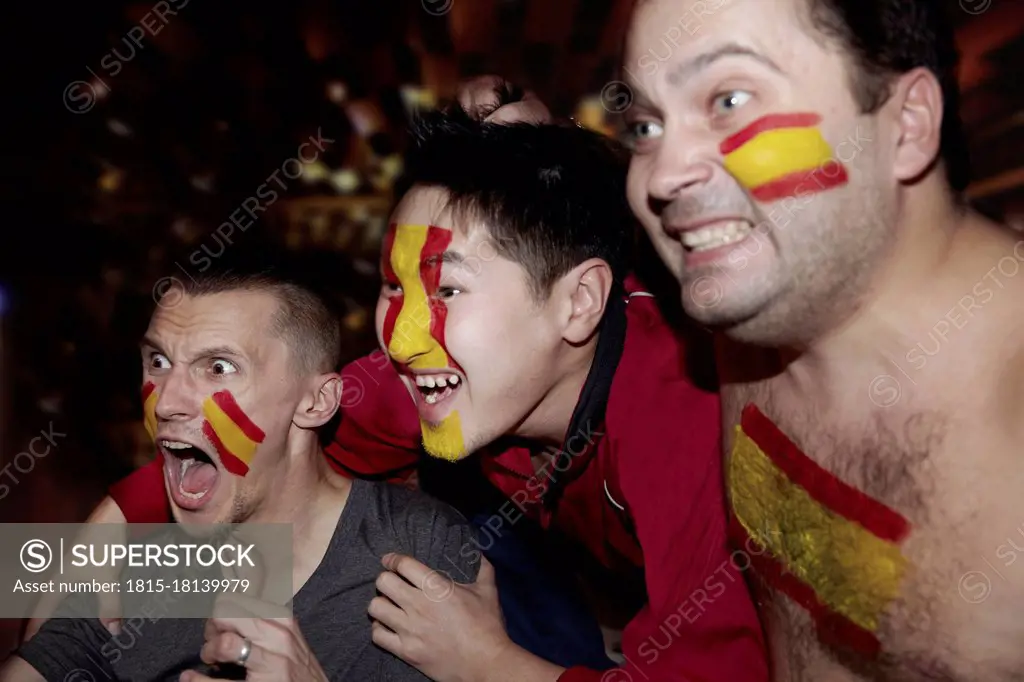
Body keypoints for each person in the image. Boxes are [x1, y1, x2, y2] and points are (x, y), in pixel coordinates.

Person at [60, 96, 770, 681]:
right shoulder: (445, 379)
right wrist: (79, 572)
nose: (399, 336)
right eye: (391, 289)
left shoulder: (690, 418)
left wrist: (486, 663)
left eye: (447, 288)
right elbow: (259, 445)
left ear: (579, 302)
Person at [621, 0, 1024, 679]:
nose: (660, 176)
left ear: (907, 127)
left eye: (729, 98)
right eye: (646, 124)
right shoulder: (750, 316)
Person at [3, 269, 479, 681]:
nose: (166, 402)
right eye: (159, 362)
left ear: (317, 402)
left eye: (218, 367)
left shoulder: (415, 552)